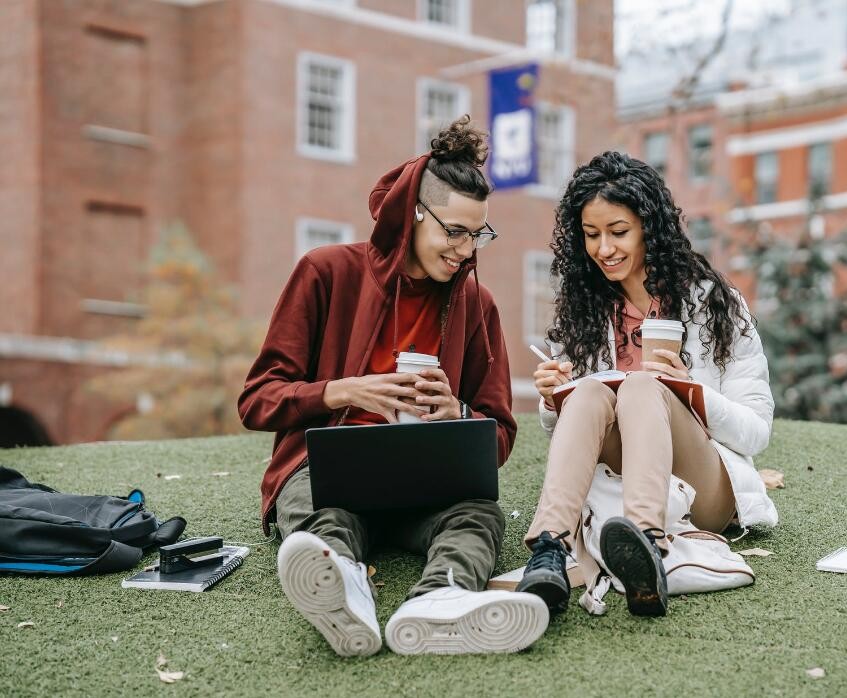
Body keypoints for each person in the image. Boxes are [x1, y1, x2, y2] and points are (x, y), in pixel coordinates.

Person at [238, 116, 548, 656]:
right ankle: (346, 592)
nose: (465, 250)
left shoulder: (478, 303)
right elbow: (257, 399)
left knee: (478, 515)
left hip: (429, 483)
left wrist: (458, 414)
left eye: (478, 235)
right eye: (454, 231)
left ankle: (438, 600)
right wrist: (343, 391)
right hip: (329, 474)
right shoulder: (326, 272)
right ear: (413, 215)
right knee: (318, 512)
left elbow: (499, 433)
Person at [515, 151, 778, 617]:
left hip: (705, 487)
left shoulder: (714, 304)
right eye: (591, 235)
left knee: (640, 387)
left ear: (649, 230)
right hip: (618, 477)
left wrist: (690, 393)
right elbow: (572, 433)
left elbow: (756, 432)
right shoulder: (584, 311)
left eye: (618, 232)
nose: (604, 249)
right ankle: (550, 548)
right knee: (592, 391)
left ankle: (646, 545)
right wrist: (554, 399)